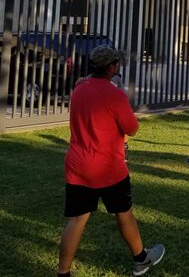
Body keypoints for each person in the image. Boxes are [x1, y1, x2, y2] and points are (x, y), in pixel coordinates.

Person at [58, 45, 165, 277]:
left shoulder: (79, 89)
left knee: (76, 220)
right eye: (116, 63)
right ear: (111, 67)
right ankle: (140, 259)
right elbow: (132, 128)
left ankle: (63, 272)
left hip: (78, 165)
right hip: (108, 167)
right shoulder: (115, 94)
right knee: (124, 212)